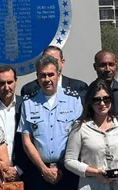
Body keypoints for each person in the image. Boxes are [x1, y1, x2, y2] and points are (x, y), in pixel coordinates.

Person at [20, 55, 83, 190]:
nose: (47, 79)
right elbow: (27, 141)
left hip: (68, 171)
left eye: (50, 74)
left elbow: (78, 138)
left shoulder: (74, 100)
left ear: (58, 74)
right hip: (39, 172)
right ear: (37, 76)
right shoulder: (28, 103)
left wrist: (59, 167)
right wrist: (44, 169)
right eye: (43, 75)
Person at [64, 80, 118, 190]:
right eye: (97, 100)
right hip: (93, 186)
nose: (102, 104)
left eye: (106, 99)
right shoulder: (80, 126)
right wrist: (95, 172)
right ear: (90, 102)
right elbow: (69, 161)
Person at [0, 65, 26, 182]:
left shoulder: (26, 106)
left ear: (16, 82)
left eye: (10, 82)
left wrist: (18, 170)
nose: (6, 87)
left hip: (22, 175)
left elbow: (33, 142)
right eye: (2, 83)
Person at [21, 46, 88, 99]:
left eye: (54, 60)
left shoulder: (79, 87)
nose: (50, 63)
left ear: (62, 62)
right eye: (46, 60)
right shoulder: (29, 89)